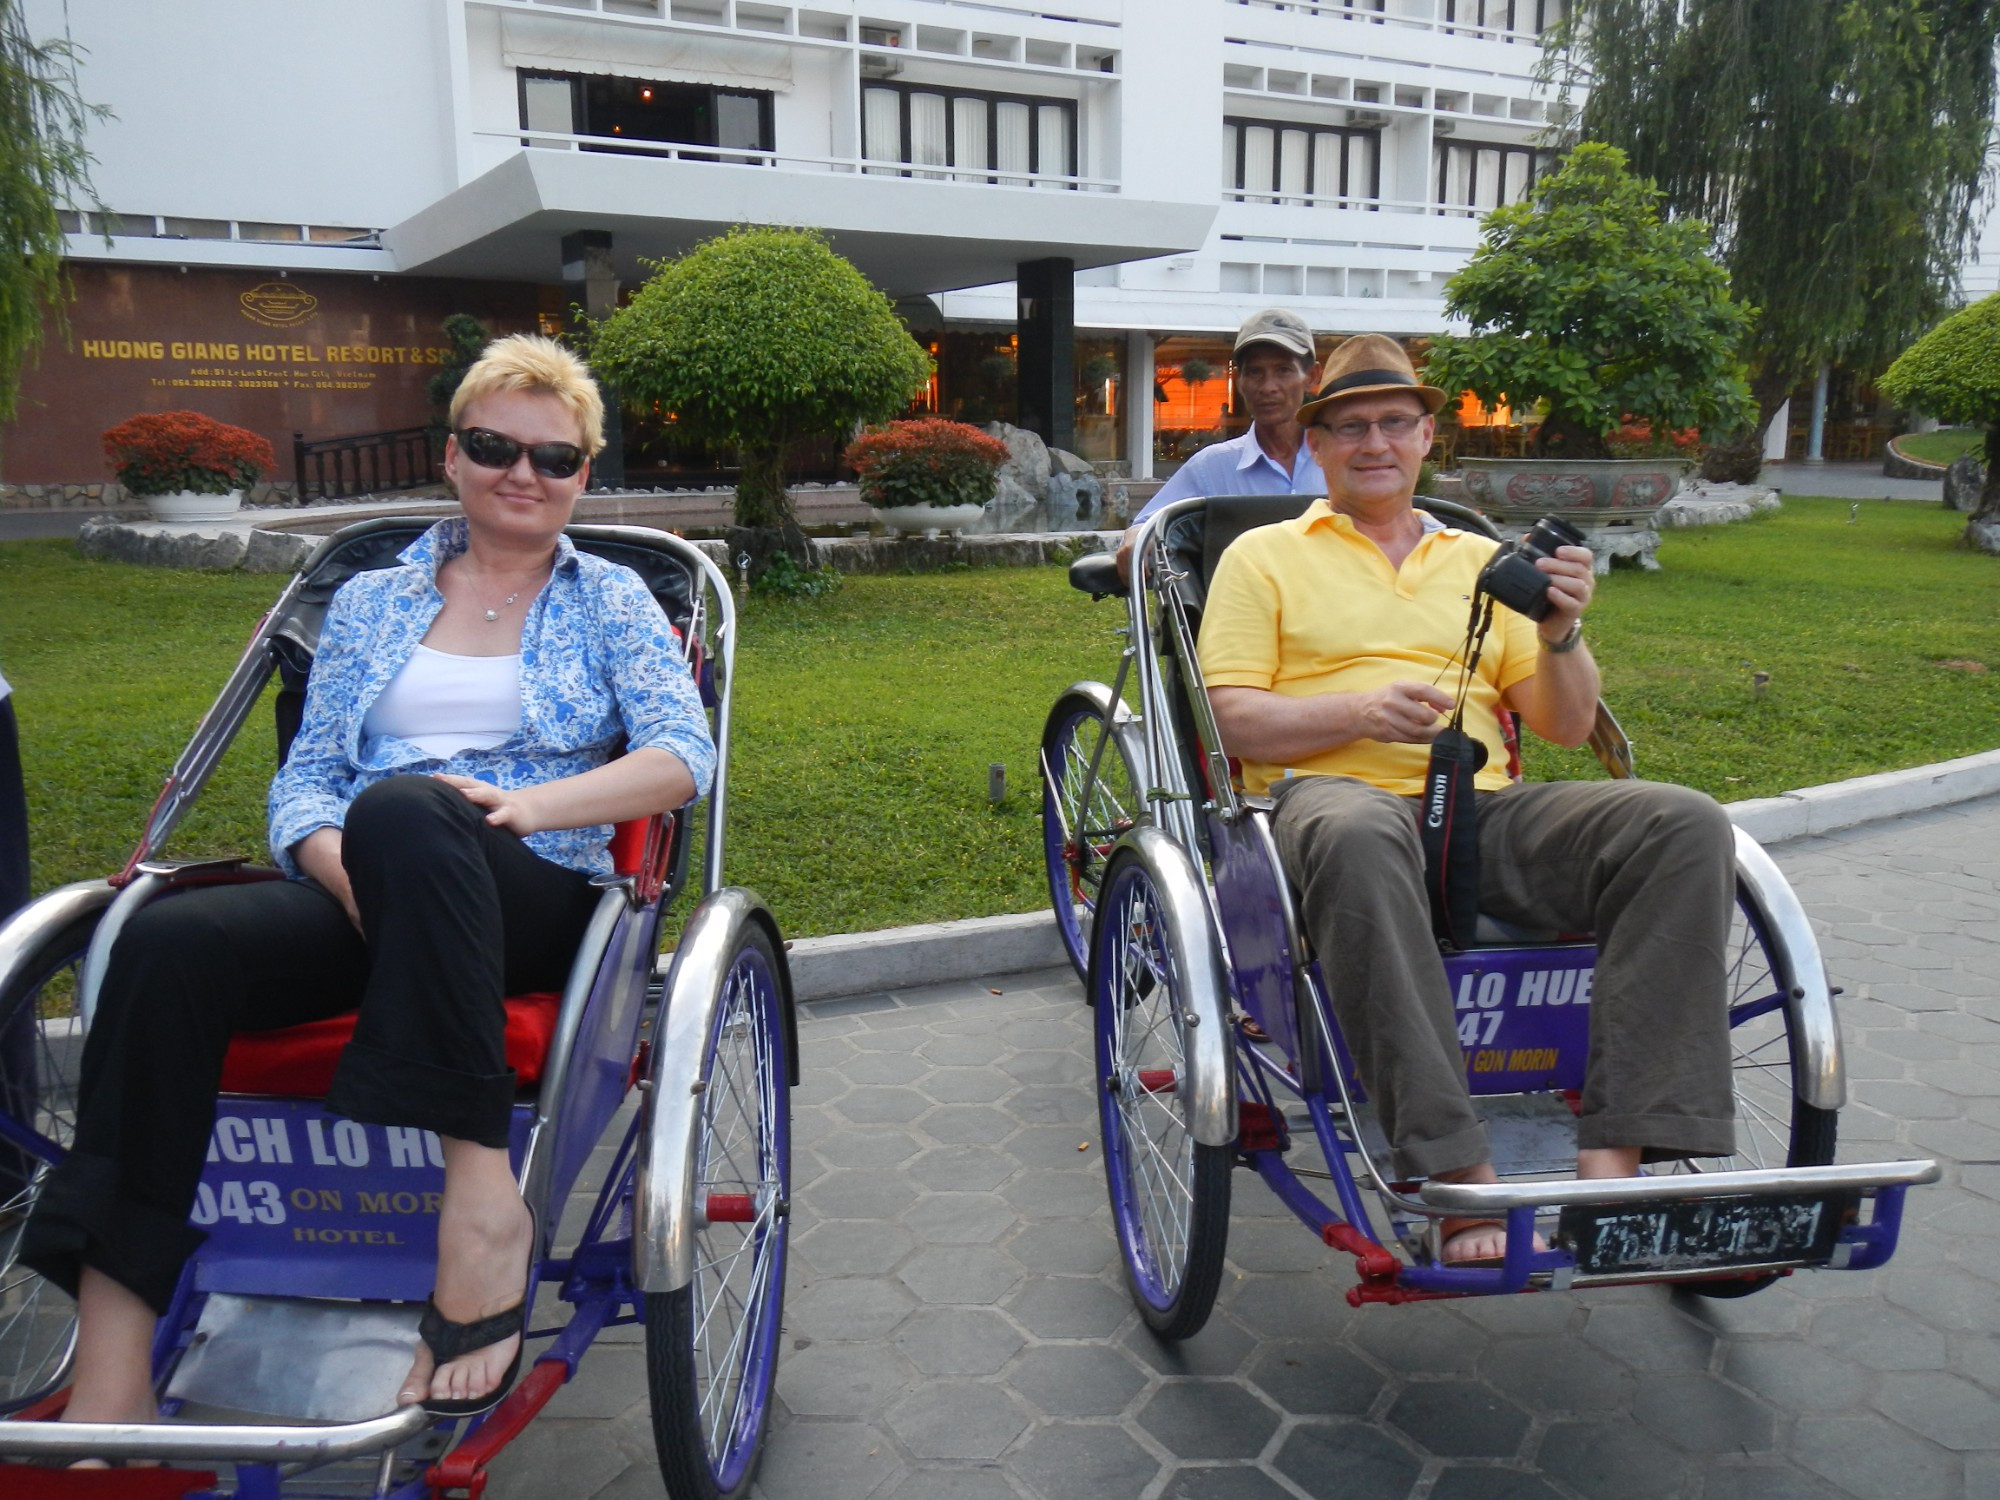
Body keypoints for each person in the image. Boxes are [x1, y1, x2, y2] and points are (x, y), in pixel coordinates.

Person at [21, 334, 716, 1422]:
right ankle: (113, 1364)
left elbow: (681, 758)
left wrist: (526, 805)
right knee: (164, 945)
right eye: (495, 446)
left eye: (556, 458)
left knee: (409, 802)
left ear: (583, 475)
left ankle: (480, 1202)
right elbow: (305, 783)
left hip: (530, 888)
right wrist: (343, 873)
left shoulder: (612, 598)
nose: (523, 474)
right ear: (453, 456)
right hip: (366, 884)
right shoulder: (373, 603)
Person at [1197, 334, 1736, 1265]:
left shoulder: (1479, 556)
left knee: (1682, 821)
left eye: (1395, 423)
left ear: (1426, 437)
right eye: (1352, 427)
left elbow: (1565, 728)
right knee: (1364, 830)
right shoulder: (1263, 555)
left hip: (1478, 809)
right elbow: (1231, 720)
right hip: (1328, 802)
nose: (1375, 443)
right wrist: (1359, 708)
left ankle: (1618, 1152)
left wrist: (1563, 634)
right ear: (1318, 444)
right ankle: (1455, 1173)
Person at [1115, 307, 1323, 580]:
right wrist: (1135, 538)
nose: (1268, 386)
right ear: (1240, 381)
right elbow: (1149, 526)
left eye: (1283, 371)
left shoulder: (1342, 460)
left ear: (1312, 378)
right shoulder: (1211, 468)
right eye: (1255, 373)